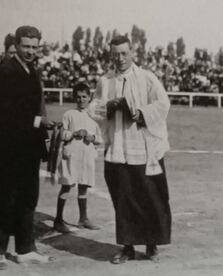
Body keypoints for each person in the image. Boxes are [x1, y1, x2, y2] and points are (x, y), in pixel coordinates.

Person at [88, 35, 172, 264]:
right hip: (117, 148)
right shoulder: (105, 81)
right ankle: (127, 247)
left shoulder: (146, 78)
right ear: (111, 55)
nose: (120, 58)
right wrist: (109, 106)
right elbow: (93, 107)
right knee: (123, 199)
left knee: (150, 197)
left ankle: (152, 244)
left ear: (132, 52)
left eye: (124, 53)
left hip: (143, 149)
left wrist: (141, 113)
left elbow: (163, 104)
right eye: (116, 54)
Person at [0, 25, 55, 270]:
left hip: (29, 146)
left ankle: (25, 249)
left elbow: (34, 107)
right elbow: (9, 112)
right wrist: (40, 121)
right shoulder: (5, 72)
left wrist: (42, 125)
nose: (30, 51)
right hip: (9, 145)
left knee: (28, 197)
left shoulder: (32, 71)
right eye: (26, 46)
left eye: (35, 47)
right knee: (6, 197)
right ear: (15, 45)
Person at [53, 83, 102, 233]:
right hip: (71, 155)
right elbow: (62, 135)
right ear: (74, 98)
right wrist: (74, 133)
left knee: (83, 186)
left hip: (86, 155)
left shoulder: (94, 116)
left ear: (90, 98)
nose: (81, 100)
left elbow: (100, 138)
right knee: (67, 185)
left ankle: (83, 218)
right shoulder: (69, 114)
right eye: (78, 97)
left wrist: (92, 137)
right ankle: (58, 220)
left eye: (84, 97)